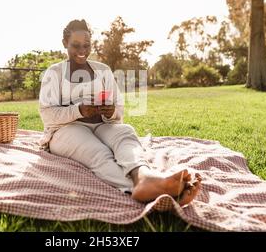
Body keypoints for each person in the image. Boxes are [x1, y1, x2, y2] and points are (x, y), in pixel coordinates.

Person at [38, 19, 201, 204]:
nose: (82, 51)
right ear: (64, 44)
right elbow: (47, 114)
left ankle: (144, 176)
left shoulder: (103, 70)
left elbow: (119, 108)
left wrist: (111, 111)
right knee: (98, 152)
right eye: (76, 46)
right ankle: (142, 188)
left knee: (126, 133)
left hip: (102, 124)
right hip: (66, 129)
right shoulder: (54, 73)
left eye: (87, 45)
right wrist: (79, 110)